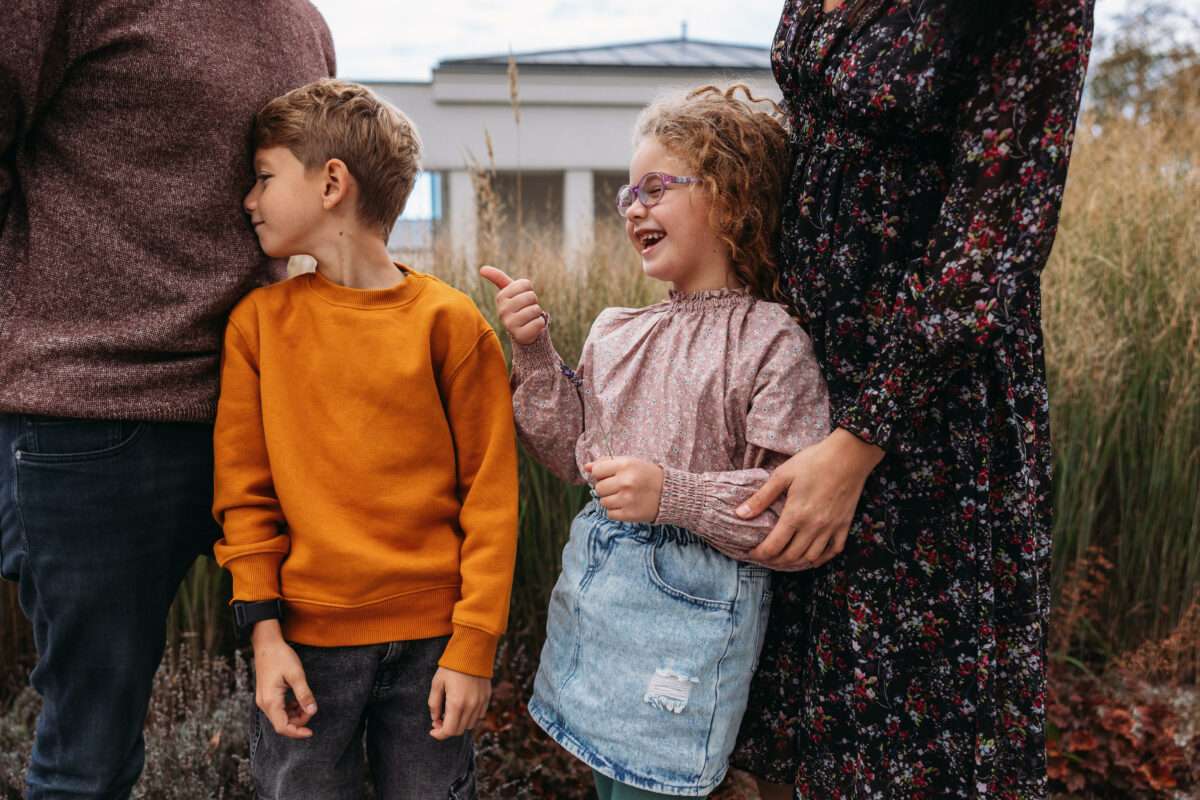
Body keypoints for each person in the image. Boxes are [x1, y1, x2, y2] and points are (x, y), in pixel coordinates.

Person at [728, 1, 1097, 798]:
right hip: (805, 377)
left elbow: (996, 235)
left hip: (929, 415)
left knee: (915, 743)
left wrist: (861, 438)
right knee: (797, 733)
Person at [0, 3, 334, 797]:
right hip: (93, 415)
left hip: (265, 419)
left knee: (319, 712)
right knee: (91, 752)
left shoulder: (304, 21)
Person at [481, 84, 830, 799]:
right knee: (614, 782)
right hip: (603, 610)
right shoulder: (617, 330)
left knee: (657, 786)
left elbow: (790, 512)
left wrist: (673, 495)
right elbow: (568, 454)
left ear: (731, 200)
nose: (634, 205)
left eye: (656, 186)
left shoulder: (771, 341)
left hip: (690, 639)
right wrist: (535, 352)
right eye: (626, 194)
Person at [211, 78, 518, 799]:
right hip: (306, 651)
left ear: (332, 184)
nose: (249, 201)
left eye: (263, 178)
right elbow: (244, 496)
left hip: (434, 652)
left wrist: (473, 648)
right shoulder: (257, 327)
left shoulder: (452, 324)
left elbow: (492, 499)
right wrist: (264, 635)